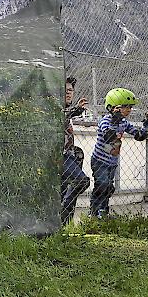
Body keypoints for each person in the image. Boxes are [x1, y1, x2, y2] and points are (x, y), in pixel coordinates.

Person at [90, 87, 148, 218]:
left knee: (108, 188)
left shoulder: (124, 123)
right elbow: (108, 136)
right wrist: (115, 120)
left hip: (112, 162)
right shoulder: (105, 121)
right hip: (100, 161)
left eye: (130, 107)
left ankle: (103, 213)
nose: (128, 110)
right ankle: (94, 213)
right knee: (102, 185)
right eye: (125, 106)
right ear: (112, 107)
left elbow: (138, 136)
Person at [61, 77, 90, 225]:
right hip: (60, 157)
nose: (68, 94)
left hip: (70, 155)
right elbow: (62, 114)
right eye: (65, 91)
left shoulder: (67, 112)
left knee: (63, 191)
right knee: (81, 181)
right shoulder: (54, 108)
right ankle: (64, 210)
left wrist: (76, 111)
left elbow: (67, 114)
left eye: (71, 91)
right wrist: (76, 110)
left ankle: (63, 222)